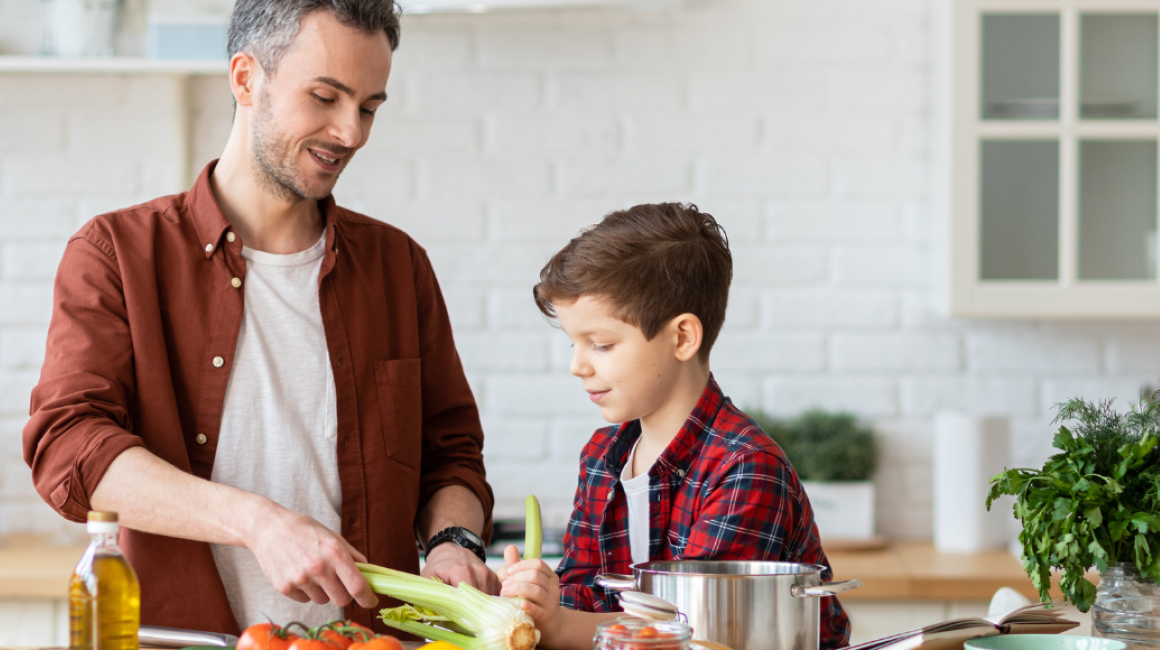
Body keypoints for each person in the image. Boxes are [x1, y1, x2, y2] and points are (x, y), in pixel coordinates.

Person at [22, 0, 496, 634]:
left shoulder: (399, 267)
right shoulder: (117, 255)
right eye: (325, 97)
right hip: (187, 640)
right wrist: (257, 522)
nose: (350, 133)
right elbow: (68, 445)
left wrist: (453, 542)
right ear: (246, 79)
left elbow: (452, 455)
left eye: (369, 108)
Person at [497, 203, 853, 650]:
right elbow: (585, 596)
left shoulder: (746, 469)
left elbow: (699, 634)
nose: (576, 365)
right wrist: (542, 599)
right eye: (574, 342)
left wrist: (563, 625)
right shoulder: (604, 456)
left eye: (601, 344)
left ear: (682, 337)